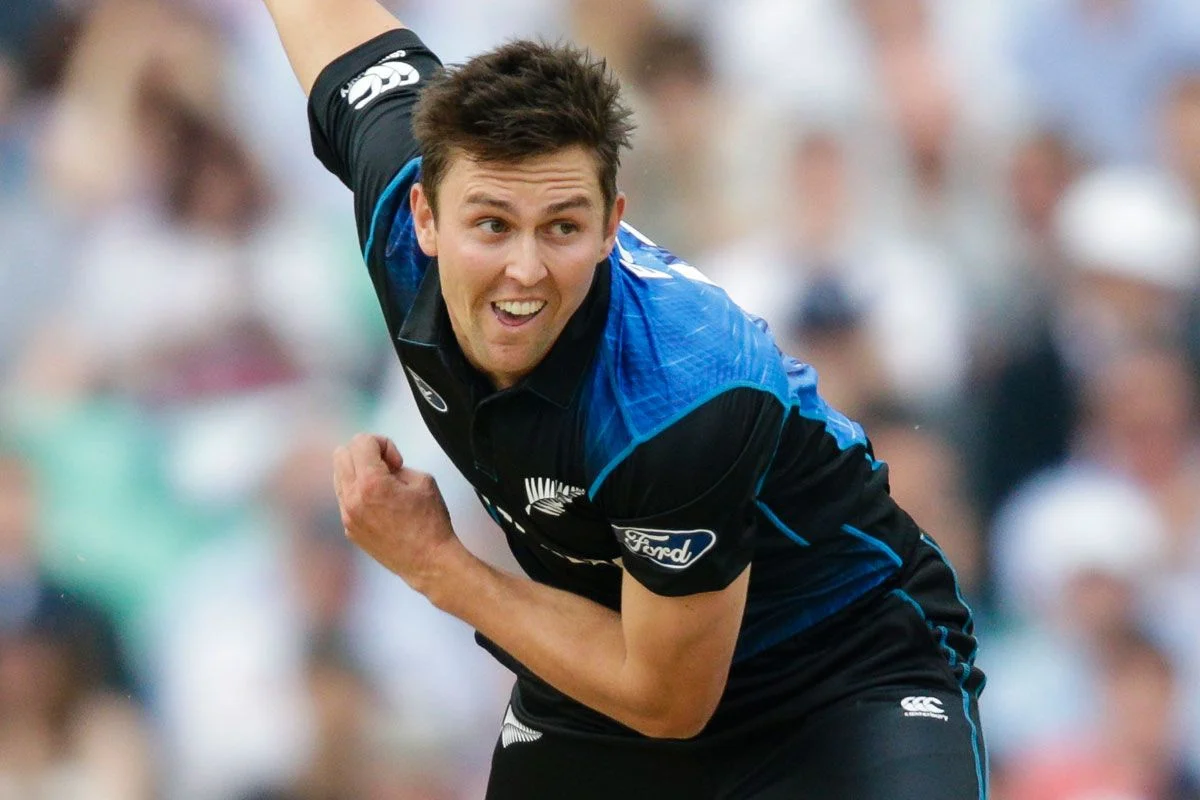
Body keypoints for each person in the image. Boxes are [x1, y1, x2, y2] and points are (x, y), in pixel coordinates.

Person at [262, 2, 987, 797]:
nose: (525, 270)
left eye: (562, 228)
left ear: (612, 225)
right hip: (602, 658)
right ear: (424, 216)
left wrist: (436, 562)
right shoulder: (394, 185)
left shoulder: (684, 391)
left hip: (844, 670)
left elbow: (669, 699)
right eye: (492, 225)